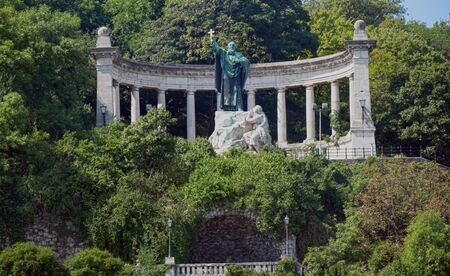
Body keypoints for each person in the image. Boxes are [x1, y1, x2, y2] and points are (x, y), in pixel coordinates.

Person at [211, 33, 250, 111]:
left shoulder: (239, 55)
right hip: (226, 75)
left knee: (237, 91)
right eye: (230, 45)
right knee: (226, 91)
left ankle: (238, 107)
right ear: (227, 47)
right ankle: (227, 107)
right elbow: (216, 49)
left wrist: (239, 60)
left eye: (233, 45)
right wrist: (213, 41)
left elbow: (246, 61)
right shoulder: (223, 53)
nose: (231, 46)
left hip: (236, 75)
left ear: (235, 47)